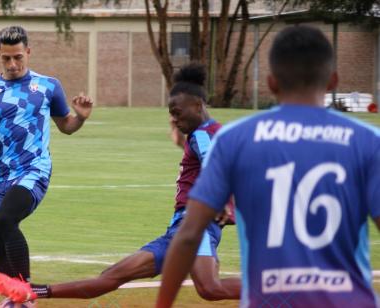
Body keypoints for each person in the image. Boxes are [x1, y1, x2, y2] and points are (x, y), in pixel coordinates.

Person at [157, 25, 380, 308]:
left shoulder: (234, 139)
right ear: (333, 81)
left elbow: (189, 235)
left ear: (272, 83)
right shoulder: (369, 142)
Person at [0, 63, 241, 304]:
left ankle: (275, 288)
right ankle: (32, 292)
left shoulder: (201, 135)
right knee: (111, 276)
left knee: (209, 287)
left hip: (196, 227)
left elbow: (212, 167)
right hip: (178, 232)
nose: (174, 119)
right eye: (171, 114)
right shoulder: (206, 133)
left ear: (197, 105)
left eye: (177, 112)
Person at [0, 25, 93, 305]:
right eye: (6, 58)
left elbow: (66, 126)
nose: (13, 64)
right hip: (0, 176)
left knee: (6, 220)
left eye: (18, 57)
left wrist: (81, 117)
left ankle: (25, 295)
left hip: (34, 171)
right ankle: (16, 295)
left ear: (28, 52)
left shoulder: (48, 86)